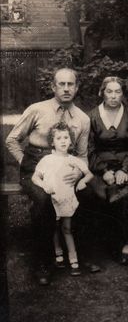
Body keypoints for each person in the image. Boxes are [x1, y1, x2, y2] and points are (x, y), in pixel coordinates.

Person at [6, 68, 90, 285]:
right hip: (36, 167)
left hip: (65, 167)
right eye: (61, 84)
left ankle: (80, 255)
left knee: (87, 193)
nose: (66, 88)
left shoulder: (82, 118)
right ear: (53, 87)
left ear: (76, 87)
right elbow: (12, 140)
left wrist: (78, 173)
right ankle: (42, 261)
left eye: (70, 84)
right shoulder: (37, 109)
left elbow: (82, 155)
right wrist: (27, 164)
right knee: (44, 201)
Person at [78, 76, 128, 265]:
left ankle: (127, 242)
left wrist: (124, 168)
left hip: (127, 165)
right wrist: (104, 170)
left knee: (127, 193)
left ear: (123, 94)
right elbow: (88, 148)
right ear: (102, 93)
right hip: (100, 166)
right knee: (95, 193)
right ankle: (104, 242)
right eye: (109, 91)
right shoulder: (91, 117)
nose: (113, 96)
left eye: (117, 92)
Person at [32, 122, 94, 276]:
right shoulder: (47, 160)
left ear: (71, 141)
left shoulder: (73, 160)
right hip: (53, 198)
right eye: (59, 138)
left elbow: (89, 174)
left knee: (67, 229)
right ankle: (58, 254)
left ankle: (74, 260)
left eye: (66, 137)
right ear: (52, 142)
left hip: (67, 199)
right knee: (53, 227)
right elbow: (35, 177)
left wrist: (82, 181)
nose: (63, 141)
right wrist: (43, 186)